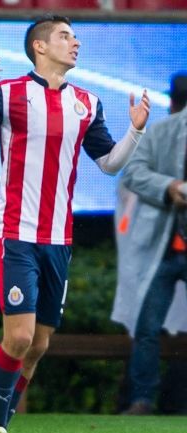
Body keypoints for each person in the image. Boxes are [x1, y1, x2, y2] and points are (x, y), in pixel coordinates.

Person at [0, 15, 150, 433]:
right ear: (39, 46)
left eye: (74, 36)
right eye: (65, 36)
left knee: (37, 345)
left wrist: (136, 131)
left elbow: (109, 164)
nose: (75, 43)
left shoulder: (87, 104)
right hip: (14, 234)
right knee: (18, 337)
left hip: (59, 240)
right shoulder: (8, 94)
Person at [113, 72, 187, 415]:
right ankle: (141, 399)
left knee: (147, 328)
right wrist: (170, 187)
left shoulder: (159, 128)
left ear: (171, 100)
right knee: (147, 326)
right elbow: (133, 174)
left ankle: (146, 399)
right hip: (164, 247)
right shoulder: (161, 132)